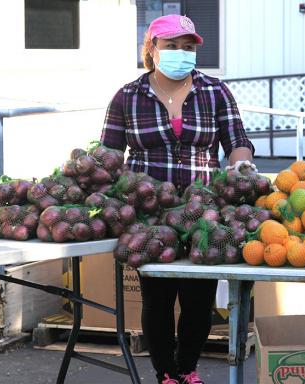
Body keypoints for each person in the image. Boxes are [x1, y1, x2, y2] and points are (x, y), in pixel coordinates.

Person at [100, 14, 255, 384]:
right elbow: (107, 157)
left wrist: (242, 165)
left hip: (204, 216)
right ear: (152, 49)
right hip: (149, 219)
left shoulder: (215, 91)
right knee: (157, 299)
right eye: (171, 46)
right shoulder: (127, 97)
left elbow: (237, 142)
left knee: (198, 301)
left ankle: (188, 368)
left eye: (188, 48)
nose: (180, 54)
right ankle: (165, 373)